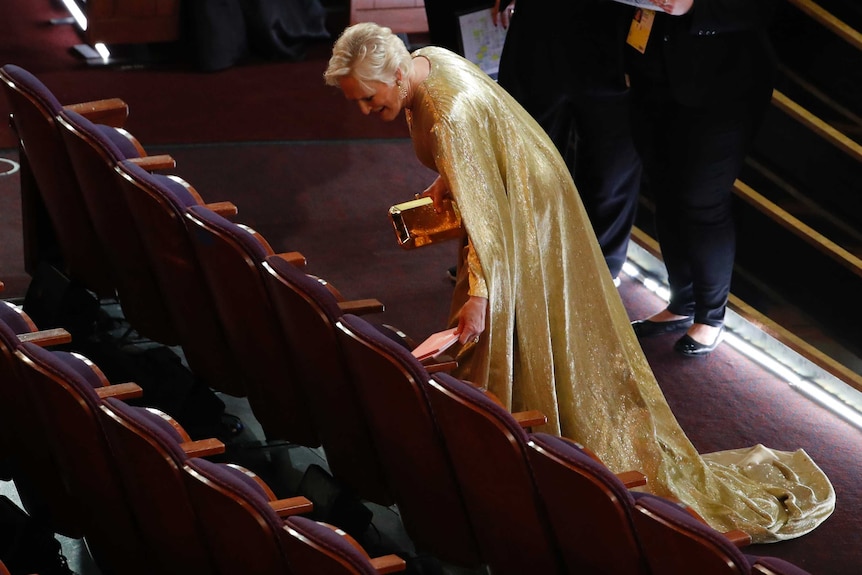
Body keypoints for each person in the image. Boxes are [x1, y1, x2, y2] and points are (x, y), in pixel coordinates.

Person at [323, 22, 834, 543]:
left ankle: (517, 471)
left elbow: (488, 223)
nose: (365, 111)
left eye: (368, 98)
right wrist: (444, 179)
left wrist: (479, 296)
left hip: (520, 219)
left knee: (487, 336)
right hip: (528, 198)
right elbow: (488, 138)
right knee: (512, 329)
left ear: (395, 73)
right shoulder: (427, 58)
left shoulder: (445, 114)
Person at [626, 0, 778, 356]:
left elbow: (765, 9)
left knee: (701, 199)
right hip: (652, 69)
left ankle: (710, 317)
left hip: (724, 82)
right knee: (664, 190)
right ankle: (683, 303)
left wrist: (696, 7)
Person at [493, 0, 642, 284]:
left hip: (617, 33)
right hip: (540, 28)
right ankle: (508, 263)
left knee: (610, 172)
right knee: (521, 158)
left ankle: (598, 275)